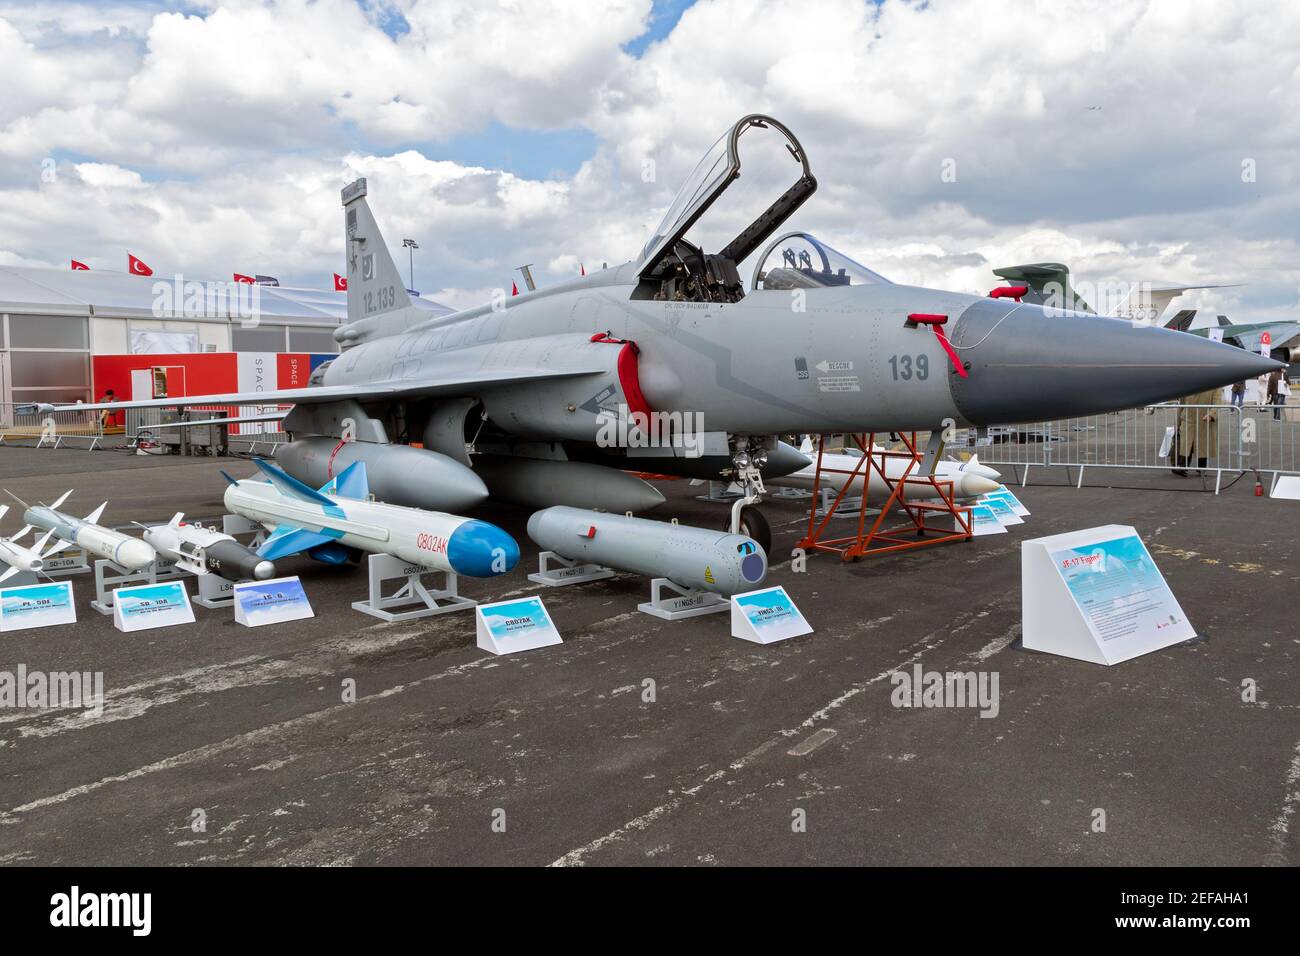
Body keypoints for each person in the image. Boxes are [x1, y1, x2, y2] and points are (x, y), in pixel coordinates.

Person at [1172, 387, 1220, 477]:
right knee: (1186, 444)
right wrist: (1177, 423)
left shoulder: (1215, 385)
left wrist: (1211, 414)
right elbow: (1181, 404)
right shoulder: (1189, 383)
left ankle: (1202, 469)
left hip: (1204, 420)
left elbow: (1217, 402)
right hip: (1188, 419)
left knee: (1202, 445)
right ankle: (1182, 467)